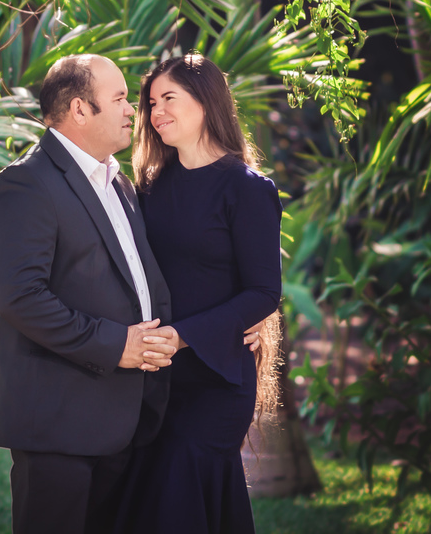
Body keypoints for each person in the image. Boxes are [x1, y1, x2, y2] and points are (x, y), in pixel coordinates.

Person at [0, 53, 178, 534]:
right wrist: (118, 345)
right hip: (58, 423)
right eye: (121, 99)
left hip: (122, 418)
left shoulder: (119, 183)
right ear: (80, 110)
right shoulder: (26, 184)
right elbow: (20, 298)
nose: (134, 110)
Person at [115, 52, 283, 534]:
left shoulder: (246, 188)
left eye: (169, 98)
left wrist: (183, 337)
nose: (155, 112)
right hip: (155, 378)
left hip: (217, 379)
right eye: (150, 103)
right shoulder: (149, 187)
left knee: (182, 482)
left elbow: (263, 292)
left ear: (207, 102)